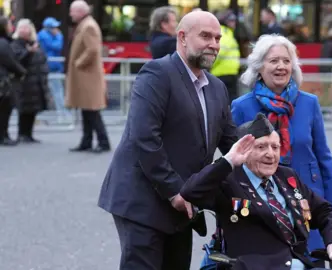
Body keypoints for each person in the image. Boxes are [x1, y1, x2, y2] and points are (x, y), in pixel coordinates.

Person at [97, 11, 238, 270]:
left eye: (217, 38)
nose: (214, 44)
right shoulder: (157, 73)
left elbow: (231, 142)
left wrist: (267, 168)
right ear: (182, 37)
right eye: (206, 36)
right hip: (143, 200)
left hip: (183, 205)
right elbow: (144, 138)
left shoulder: (217, 87)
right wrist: (174, 190)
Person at [181, 113, 332, 269]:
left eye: (275, 147)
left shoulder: (286, 176)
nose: (270, 154)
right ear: (244, 151)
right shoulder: (228, 181)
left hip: (297, 263)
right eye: (261, 147)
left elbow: (325, 210)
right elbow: (190, 192)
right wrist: (228, 161)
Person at [231, 34, 332, 256]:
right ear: (259, 67)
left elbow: (323, 158)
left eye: (286, 60)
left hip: (308, 198)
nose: (281, 66)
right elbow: (233, 163)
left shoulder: (309, 103)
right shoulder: (241, 107)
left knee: (310, 259)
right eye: (273, 61)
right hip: (260, 204)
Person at [66, 0, 110, 153]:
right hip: (86, 76)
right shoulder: (86, 24)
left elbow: (92, 50)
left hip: (88, 76)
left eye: (73, 11)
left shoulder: (88, 26)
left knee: (92, 111)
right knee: (87, 111)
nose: (70, 14)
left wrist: (78, 63)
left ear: (81, 12)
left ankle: (103, 142)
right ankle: (87, 141)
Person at [11, 19, 50, 143]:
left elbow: (42, 58)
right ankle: (22, 133)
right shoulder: (15, 44)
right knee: (24, 110)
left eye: (26, 27)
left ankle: (29, 134)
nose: (23, 30)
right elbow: (17, 61)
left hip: (35, 81)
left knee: (33, 109)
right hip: (24, 83)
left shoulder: (35, 43)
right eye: (21, 27)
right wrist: (28, 52)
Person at [38, 17, 72, 124]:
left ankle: (62, 114)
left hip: (52, 67)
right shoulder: (44, 35)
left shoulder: (45, 35)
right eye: (54, 27)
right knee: (57, 92)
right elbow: (57, 46)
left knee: (57, 92)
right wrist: (59, 36)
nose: (56, 29)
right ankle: (63, 115)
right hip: (50, 67)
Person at [0, 16, 26, 146]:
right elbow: (10, 62)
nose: (11, 27)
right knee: (5, 109)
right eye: (9, 24)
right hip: (3, 81)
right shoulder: (3, 43)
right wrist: (22, 71)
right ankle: (3, 135)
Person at [210, 9, 241, 102]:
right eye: (231, 20)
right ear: (225, 21)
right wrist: (208, 67)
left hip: (228, 74)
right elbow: (217, 53)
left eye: (234, 20)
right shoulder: (224, 33)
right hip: (222, 75)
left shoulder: (228, 33)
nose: (234, 23)